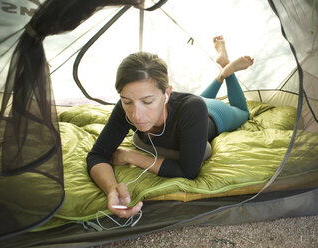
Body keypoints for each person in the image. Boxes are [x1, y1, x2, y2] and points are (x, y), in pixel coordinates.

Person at [87, 36, 254, 218]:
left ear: (166, 93)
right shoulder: (125, 109)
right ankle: (220, 74)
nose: (136, 115)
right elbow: (97, 154)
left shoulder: (192, 108)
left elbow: (189, 171)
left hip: (214, 115)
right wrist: (111, 189)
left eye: (148, 101)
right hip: (194, 105)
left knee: (242, 112)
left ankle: (226, 70)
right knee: (199, 98)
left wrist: (131, 156)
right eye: (127, 101)